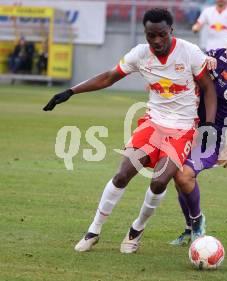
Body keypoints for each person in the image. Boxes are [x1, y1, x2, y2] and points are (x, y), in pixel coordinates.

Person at [42, 8, 217, 253]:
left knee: (159, 182)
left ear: (171, 31)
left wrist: (208, 125)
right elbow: (109, 77)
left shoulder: (190, 53)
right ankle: (93, 231)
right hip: (152, 125)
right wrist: (70, 91)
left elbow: (208, 88)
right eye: (150, 35)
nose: (156, 41)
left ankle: (136, 230)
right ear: (145, 34)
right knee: (122, 174)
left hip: (181, 130)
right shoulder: (139, 54)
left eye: (161, 35)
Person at [169, 28, 227, 246]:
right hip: (188, 128)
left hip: (213, 138)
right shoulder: (217, 54)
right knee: (176, 177)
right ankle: (189, 227)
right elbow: (194, 60)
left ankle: (197, 222)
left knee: (184, 176)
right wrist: (205, 59)